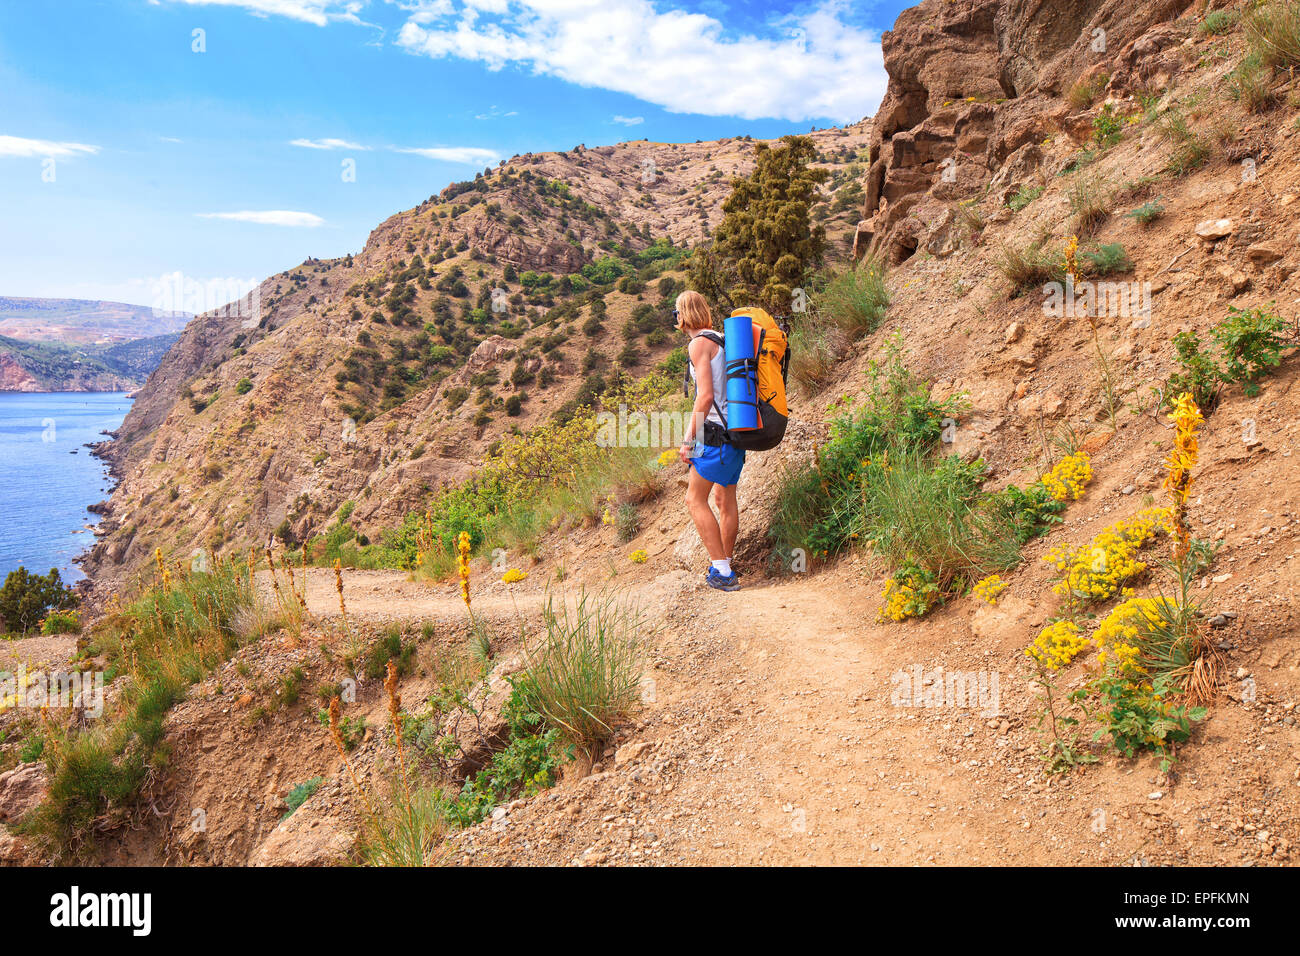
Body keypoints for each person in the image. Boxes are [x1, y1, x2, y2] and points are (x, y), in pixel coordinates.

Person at [675, 290, 744, 591]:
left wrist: (688, 440)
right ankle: (724, 563)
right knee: (724, 499)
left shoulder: (698, 344)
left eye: (676, 311)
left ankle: (723, 572)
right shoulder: (723, 338)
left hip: (714, 433)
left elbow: (705, 396)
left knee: (694, 499)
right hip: (739, 428)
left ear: (682, 314)